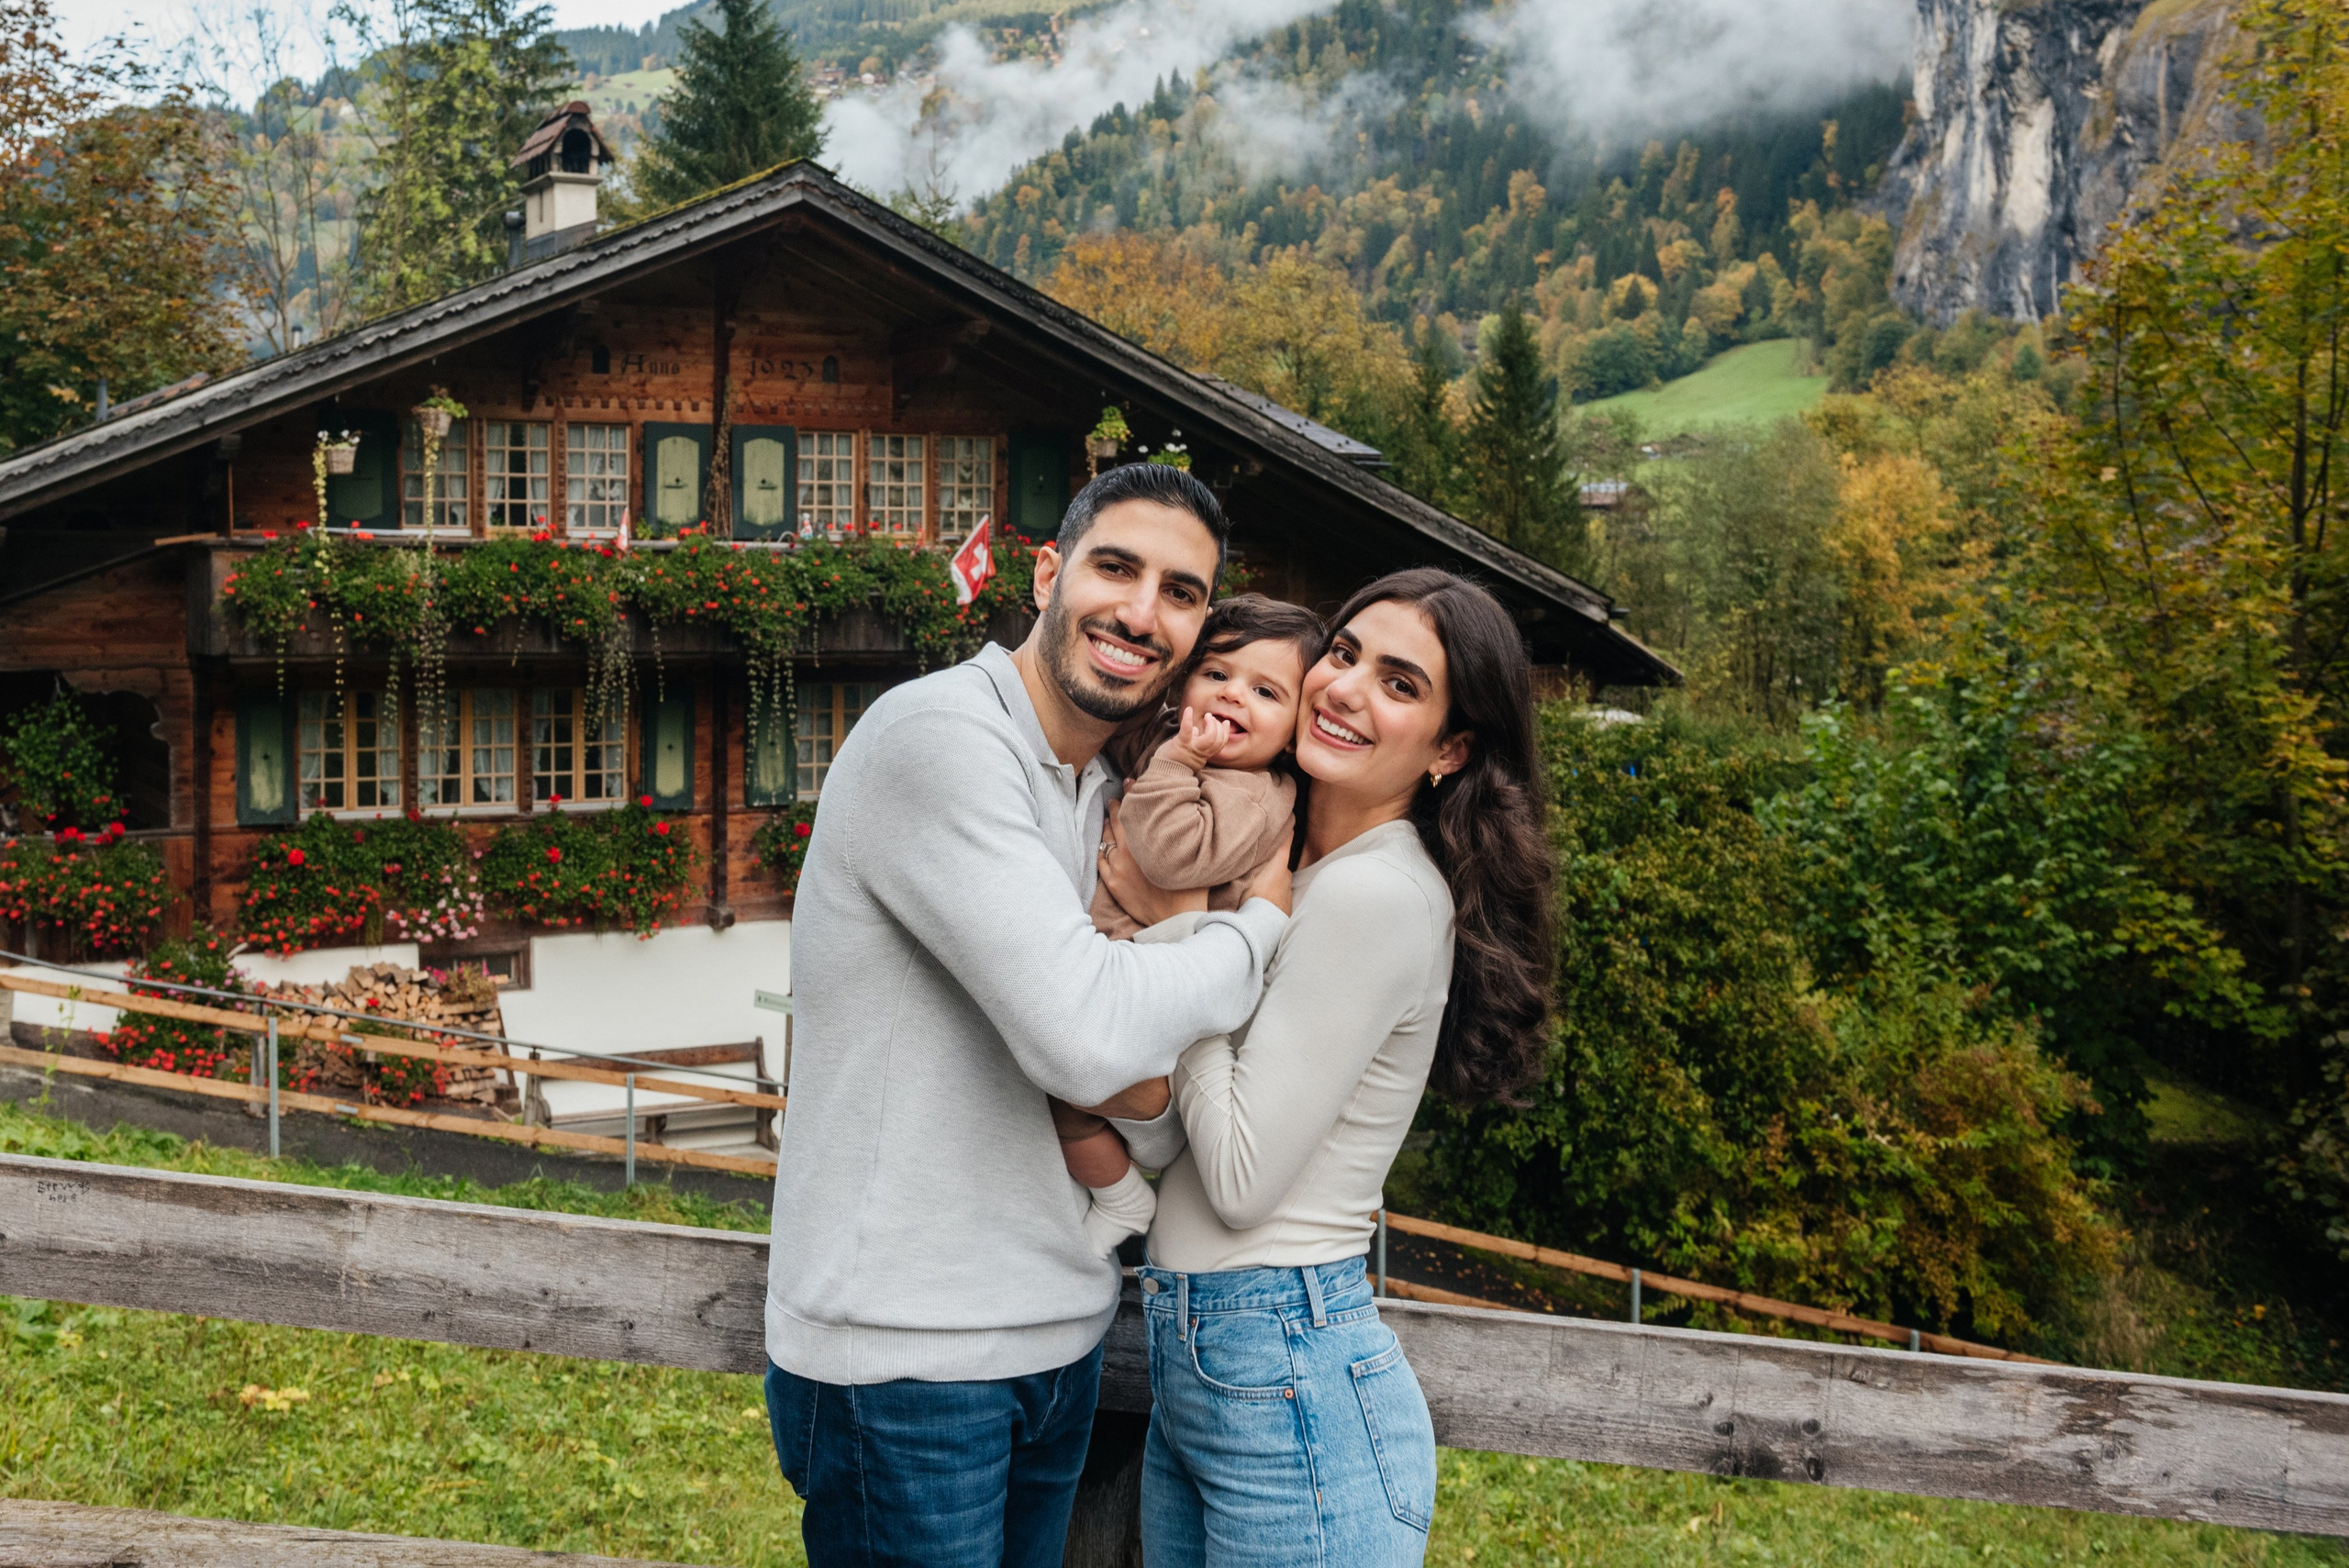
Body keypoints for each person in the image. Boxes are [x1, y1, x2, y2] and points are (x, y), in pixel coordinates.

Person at [763, 462, 1295, 1568]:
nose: (1142, 612)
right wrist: (1250, 934)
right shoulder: (940, 741)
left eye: (1181, 592)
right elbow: (1088, 1035)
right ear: (1049, 573)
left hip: (1062, 1339)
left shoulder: (1105, 796)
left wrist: (1141, 1038)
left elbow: (1147, 1099)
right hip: (907, 1362)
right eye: (1116, 566)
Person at [1097, 568, 1555, 1567]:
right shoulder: (1297, 872)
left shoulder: (1377, 895)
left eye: (1400, 683)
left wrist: (1185, 935)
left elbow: (1239, 1176)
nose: (1343, 686)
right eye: (1343, 652)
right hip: (1217, 1358)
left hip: (1281, 1362)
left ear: (1450, 749)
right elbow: (1177, 1125)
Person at [1055, 594, 1328, 1256]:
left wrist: (1178, 757)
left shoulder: (1255, 793)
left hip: (1157, 1005)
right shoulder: (1209, 764)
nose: (1233, 696)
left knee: (1058, 1090)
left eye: (1265, 690)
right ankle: (1115, 1193)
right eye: (1217, 674)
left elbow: (1171, 852)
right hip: (1136, 979)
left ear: (1294, 729)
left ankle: (1121, 1196)